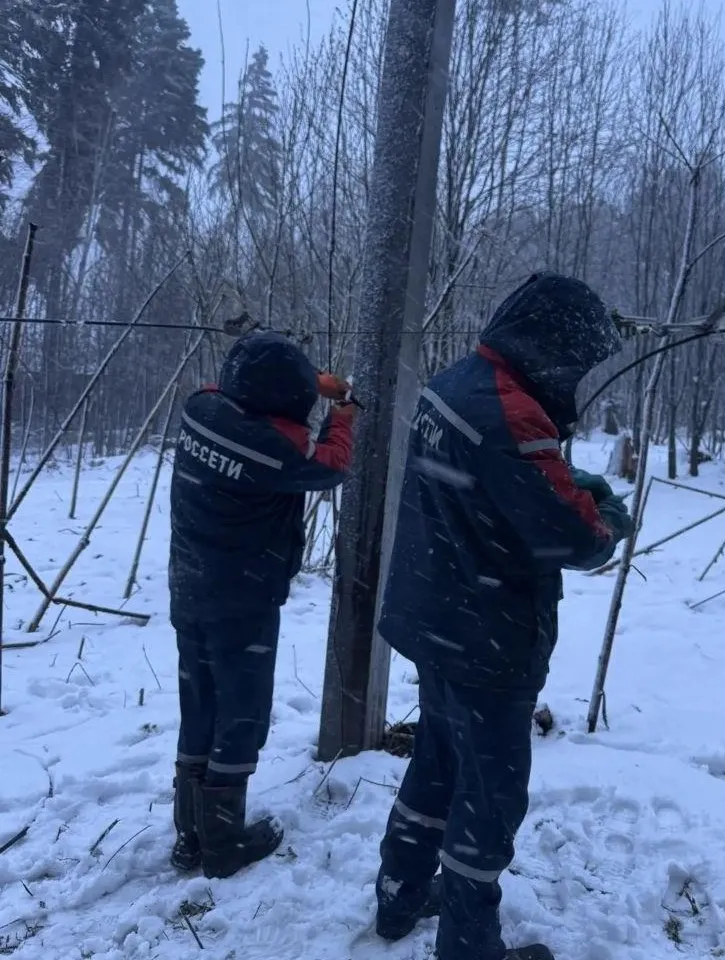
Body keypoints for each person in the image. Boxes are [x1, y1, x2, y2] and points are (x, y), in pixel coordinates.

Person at [374, 273, 633, 960]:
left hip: (436, 616)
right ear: (550, 348)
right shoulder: (513, 415)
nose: (577, 375)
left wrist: (560, 477)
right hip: (486, 636)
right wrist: (602, 515)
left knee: (435, 763)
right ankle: (469, 945)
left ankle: (398, 894)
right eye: (576, 360)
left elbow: (497, 488)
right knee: (489, 800)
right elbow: (568, 537)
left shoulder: (458, 383)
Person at [167, 330, 357, 880]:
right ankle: (224, 840)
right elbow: (332, 464)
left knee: (199, 704)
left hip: (189, 588)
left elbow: (239, 389)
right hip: (242, 598)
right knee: (241, 715)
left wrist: (312, 382)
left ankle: (190, 837)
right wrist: (343, 410)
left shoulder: (200, 409)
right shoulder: (272, 449)